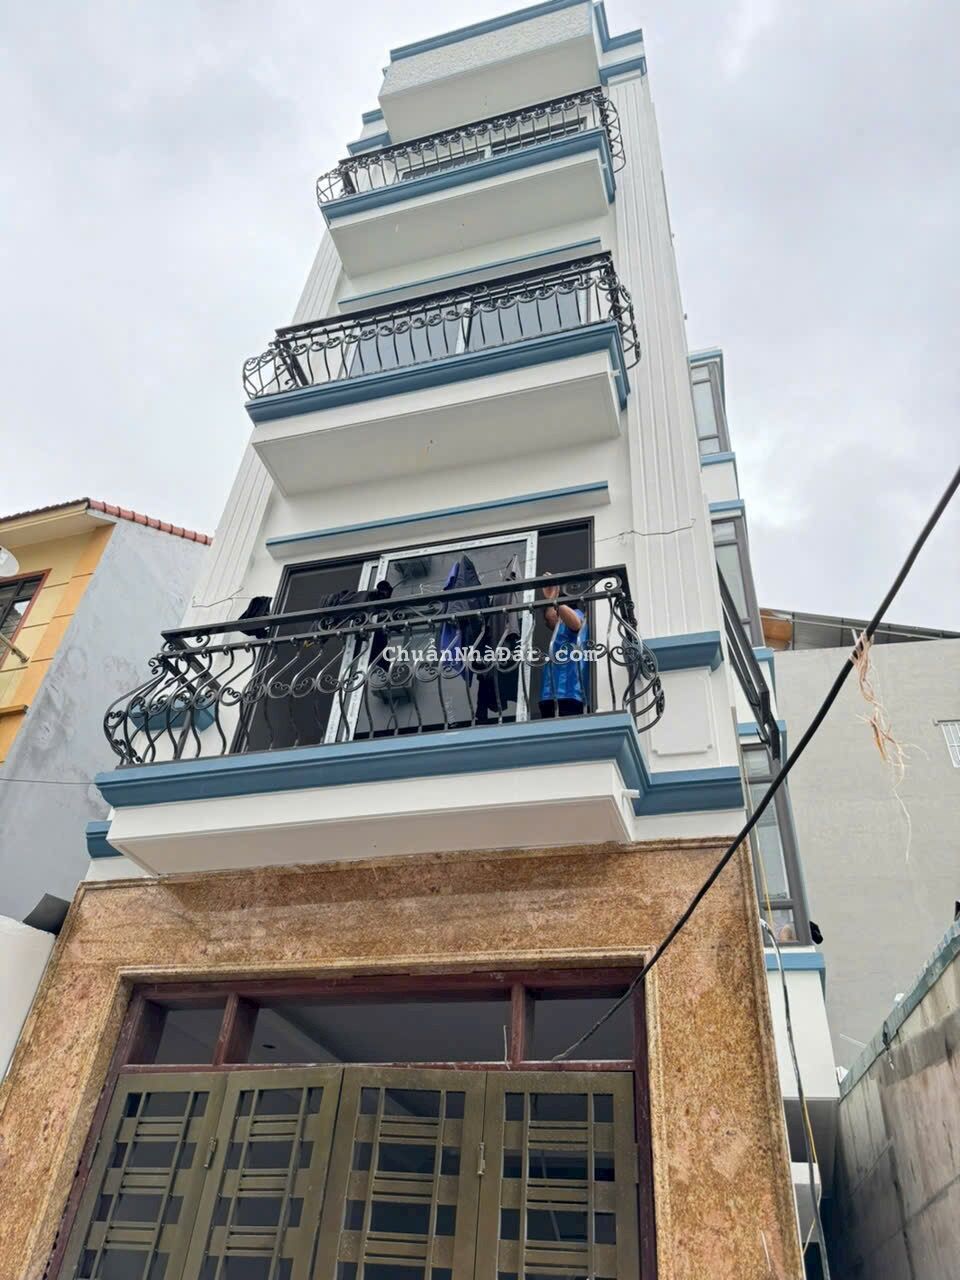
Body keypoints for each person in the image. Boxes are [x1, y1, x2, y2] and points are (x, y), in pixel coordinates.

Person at [538, 577, 589, 718]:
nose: (546, 619)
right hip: (551, 695)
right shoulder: (558, 628)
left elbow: (576, 624)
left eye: (550, 609)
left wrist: (554, 600)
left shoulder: (577, 615)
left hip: (569, 694)